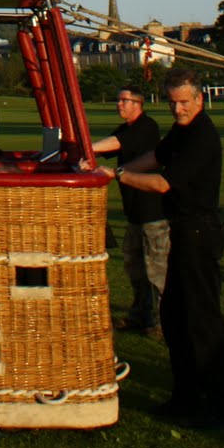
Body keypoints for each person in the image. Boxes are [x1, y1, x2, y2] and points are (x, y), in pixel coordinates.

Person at [116, 68, 224, 430]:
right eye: (172, 102)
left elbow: (163, 182)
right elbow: (155, 157)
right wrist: (120, 167)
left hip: (199, 233)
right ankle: (185, 397)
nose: (178, 109)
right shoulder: (181, 132)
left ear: (199, 99)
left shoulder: (202, 135)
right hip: (180, 233)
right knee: (175, 318)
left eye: (184, 102)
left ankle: (218, 409)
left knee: (202, 322)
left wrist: (117, 176)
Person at [81, 86, 169, 338]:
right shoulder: (126, 128)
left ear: (138, 103)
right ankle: (139, 315)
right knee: (135, 268)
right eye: (118, 100)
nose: (119, 104)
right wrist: (88, 158)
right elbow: (109, 148)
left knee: (157, 271)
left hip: (153, 212)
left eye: (124, 100)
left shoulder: (146, 126)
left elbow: (113, 144)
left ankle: (162, 322)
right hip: (134, 213)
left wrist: (88, 149)